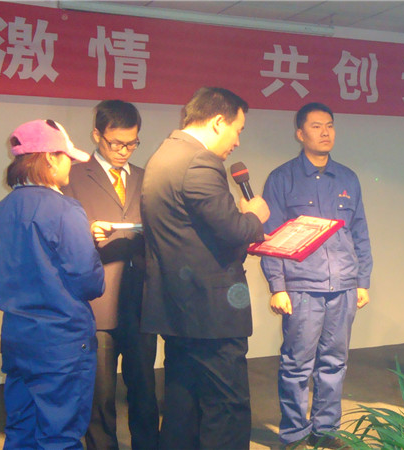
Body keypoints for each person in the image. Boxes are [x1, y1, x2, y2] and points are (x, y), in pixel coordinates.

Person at [140, 87, 270, 449]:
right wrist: (254, 216)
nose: (237, 142)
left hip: (177, 309)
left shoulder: (162, 156)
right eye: (237, 130)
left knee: (182, 409)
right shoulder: (200, 162)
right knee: (226, 409)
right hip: (211, 315)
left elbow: (195, 235)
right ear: (217, 122)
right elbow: (232, 231)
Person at [0, 119, 105, 449]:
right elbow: (90, 282)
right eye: (67, 157)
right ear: (50, 158)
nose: (70, 166)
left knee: (20, 431)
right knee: (60, 437)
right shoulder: (65, 209)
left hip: (18, 340)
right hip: (62, 344)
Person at [260, 102, 373, 448]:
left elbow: (360, 232)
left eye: (330, 126)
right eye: (316, 126)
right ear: (299, 133)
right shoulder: (282, 179)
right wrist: (277, 286)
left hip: (343, 286)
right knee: (296, 364)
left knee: (335, 362)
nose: (325, 133)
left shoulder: (348, 178)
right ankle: (294, 433)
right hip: (301, 287)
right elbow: (271, 238)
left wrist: (363, 281)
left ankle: (326, 430)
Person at [61, 100, 159, 449]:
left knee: (145, 389)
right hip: (97, 302)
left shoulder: (146, 178)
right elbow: (58, 236)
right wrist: (86, 232)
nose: (123, 151)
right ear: (96, 135)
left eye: (132, 144)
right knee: (99, 396)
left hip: (141, 301)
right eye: (115, 143)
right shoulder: (73, 177)